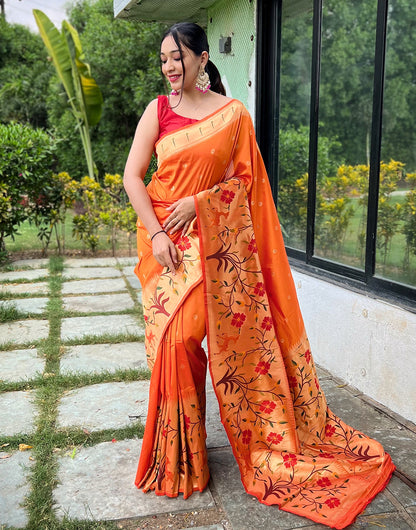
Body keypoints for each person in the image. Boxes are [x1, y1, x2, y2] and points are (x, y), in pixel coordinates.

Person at [123, 22, 395, 530]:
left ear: (203, 59)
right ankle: (181, 457)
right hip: (162, 245)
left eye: (177, 56)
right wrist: (158, 233)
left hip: (213, 248)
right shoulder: (157, 111)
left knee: (184, 340)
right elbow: (132, 176)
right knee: (173, 346)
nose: (169, 67)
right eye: (163, 59)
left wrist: (199, 203)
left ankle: (192, 452)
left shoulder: (232, 116)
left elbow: (246, 189)